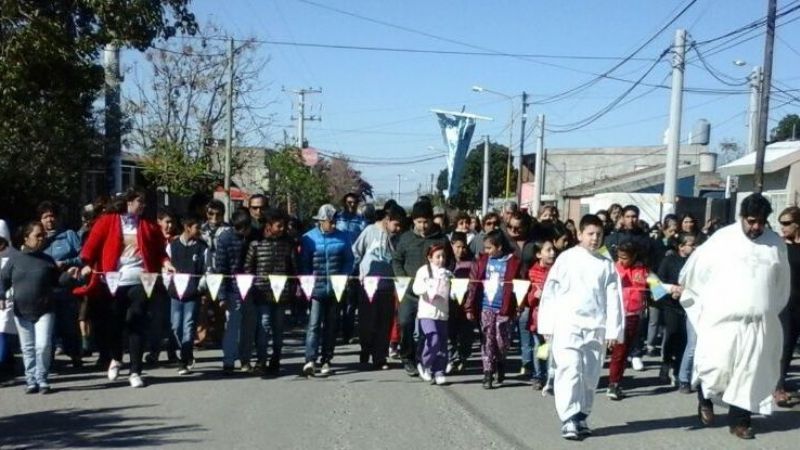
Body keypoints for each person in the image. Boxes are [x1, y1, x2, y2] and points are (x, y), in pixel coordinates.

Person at [680, 194, 790, 440]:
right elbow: (697, 271)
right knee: (716, 367)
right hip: (723, 321)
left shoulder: (775, 244)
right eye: (751, 221)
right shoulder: (722, 239)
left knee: (749, 373)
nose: (756, 227)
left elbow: (782, 284)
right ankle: (705, 399)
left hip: (757, 324)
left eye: (761, 222)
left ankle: (740, 421)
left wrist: (768, 310)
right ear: (742, 217)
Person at [538, 214, 624, 440]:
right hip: (568, 325)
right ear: (579, 235)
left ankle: (582, 414)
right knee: (570, 370)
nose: (595, 239)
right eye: (590, 234)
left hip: (596, 327)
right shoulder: (565, 259)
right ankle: (568, 418)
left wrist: (614, 330)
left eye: (599, 234)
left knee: (590, 374)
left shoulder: (607, 264)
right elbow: (550, 293)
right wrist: (548, 324)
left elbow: (614, 298)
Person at [77, 190, 174, 388]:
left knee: (136, 321)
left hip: (139, 280)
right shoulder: (107, 221)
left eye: (144, 203)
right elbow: (91, 246)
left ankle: (135, 371)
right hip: (112, 282)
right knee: (114, 324)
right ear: (129, 202)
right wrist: (87, 263)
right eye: (140, 202)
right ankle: (116, 358)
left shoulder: (147, 226)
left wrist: (166, 263)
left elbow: (159, 252)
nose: (143, 206)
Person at [1, 222, 75, 394]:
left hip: (45, 309)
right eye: (37, 235)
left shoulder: (47, 260)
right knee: (27, 348)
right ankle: (31, 380)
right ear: (26, 238)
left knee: (43, 345)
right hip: (21, 311)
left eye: (43, 235)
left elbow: (60, 281)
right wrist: (1, 295)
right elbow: (2, 279)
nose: (41, 239)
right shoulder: (15, 259)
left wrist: (71, 276)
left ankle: (42, 378)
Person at [392, 201, 451, 377]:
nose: (422, 226)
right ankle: (407, 357)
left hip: (433, 296)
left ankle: (426, 359)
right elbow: (396, 260)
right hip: (410, 293)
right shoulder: (406, 238)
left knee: (431, 330)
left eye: (426, 221)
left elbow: (450, 262)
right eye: (418, 222)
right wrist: (403, 278)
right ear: (413, 221)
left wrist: (444, 278)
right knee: (405, 323)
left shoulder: (441, 239)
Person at [300, 204, 353, 377]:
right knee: (314, 324)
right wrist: (307, 283)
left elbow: (349, 260)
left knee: (331, 326)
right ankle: (310, 359)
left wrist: (343, 277)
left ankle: (326, 359)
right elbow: (304, 263)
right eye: (330, 221)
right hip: (316, 288)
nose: (333, 224)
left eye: (334, 221)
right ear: (321, 221)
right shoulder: (308, 238)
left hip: (336, 288)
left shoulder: (343, 238)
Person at [464, 230, 522, 390]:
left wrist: (519, 306)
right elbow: (473, 284)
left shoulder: (513, 262)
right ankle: (488, 372)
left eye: (489, 248)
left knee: (501, 340)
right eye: (485, 248)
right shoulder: (482, 261)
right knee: (487, 339)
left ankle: (501, 361)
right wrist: (469, 306)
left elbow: (521, 286)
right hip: (486, 307)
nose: (486, 251)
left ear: (499, 247)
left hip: (504, 309)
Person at [351, 203, 405, 370]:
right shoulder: (369, 231)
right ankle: (365, 349)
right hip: (368, 285)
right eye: (396, 224)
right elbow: (356, 251)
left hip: (388, 286)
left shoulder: (397, 238)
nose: (398, 228)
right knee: (367, 322)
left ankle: (380, 357)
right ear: (387, 220)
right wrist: (359, 272)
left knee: (385, 323)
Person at [244, 208, 296, 375]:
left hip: (282, 293)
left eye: (284, 226)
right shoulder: (256, 243)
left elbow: (294, 269)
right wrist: (250, 287)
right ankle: (261, 359)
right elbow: (248, 268)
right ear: (269, 225)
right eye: (279, 225)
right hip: (261, 292)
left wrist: (294, 288)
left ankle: (276, 358)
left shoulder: (288, 244)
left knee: (278, 328)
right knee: (264, 326)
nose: (282, 229)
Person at [38, 201, 83, 367]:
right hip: (45, 288)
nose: (49, 220)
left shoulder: (69, 235)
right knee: (48, 326)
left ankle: (75, 355)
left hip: (66, 287)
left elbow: (83, 256)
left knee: (68, 323)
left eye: (52, 216)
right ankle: (48, 359)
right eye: (45, 217)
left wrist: (66, 262)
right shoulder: (38, 239)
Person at [606, 242, 649, 401]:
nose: (621, 260)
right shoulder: (613, 269)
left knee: (622, 351)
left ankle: (615, 383)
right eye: (619, 257)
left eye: (625, 258)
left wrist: (672, 289)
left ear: (634, 256)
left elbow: (656, 288)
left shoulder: (642, 270)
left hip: (633, 315)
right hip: (615, 314)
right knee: (617, 352)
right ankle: (612, 383)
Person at [167, 215, 207, 376]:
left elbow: (207, 269)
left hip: (192, 293)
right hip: (175, 293)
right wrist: (168, 286)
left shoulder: (202, 248)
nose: (199, 231)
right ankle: (186, 352)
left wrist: (199, 287)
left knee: (188, 325)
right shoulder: (173, 246)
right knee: (176, 325)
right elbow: (165, 268)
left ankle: (183, 359)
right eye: (197, 227)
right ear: (187, 227)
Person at [216, 208, 254, 374]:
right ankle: (228, 360)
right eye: (240, 228)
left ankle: (245, 359)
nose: (243, 231)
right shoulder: (224, 239)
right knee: (232, 326)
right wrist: (222, 294)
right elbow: (220, 267)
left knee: (248, 326)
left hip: (251, 286)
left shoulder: (253, 237)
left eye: (245, 228)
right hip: (232, 287)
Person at [658, 233, 696, 393]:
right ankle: (666, 363)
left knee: (684, 338)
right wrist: (671, 291)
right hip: (671, 304)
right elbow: (657, 283)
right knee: (672, 333)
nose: (694, 247)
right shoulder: (669, 260)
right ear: (681, 246)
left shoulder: (695, 262)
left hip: (689, 305)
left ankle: (678, 369)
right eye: (690, 244)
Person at [412, 243, 452, 385]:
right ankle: (424, 363)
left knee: (441, 343)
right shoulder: (423, 271)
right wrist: (428, 288)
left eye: (443, 256)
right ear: (429, 257)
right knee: (432, 338)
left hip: (442, 313)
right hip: (427, 312)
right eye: (437, 257)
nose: (441, 260)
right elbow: (416, 288)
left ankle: (439, 370)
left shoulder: (447, 273)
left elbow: (451, 293)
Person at [775, 206, 800, 406]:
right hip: (786, 302)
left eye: (786, 223)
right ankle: (778, 386)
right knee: (785, 345)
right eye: (780, 223)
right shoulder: (780, 247)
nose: (782, 227)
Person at [196, 199, 230, 348]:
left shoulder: (228, 230)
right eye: (211, 214)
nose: (214, 218)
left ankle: (218, 336)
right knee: (203, 304)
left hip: (222, 271)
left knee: (220, 306)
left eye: (218, 214)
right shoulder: (200, 229)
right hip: (205, 271)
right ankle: (200, 337)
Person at [335, 193, 366, 345]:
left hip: (354, 264)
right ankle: (334, 331)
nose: (351, 205)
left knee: (351, 301)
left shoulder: (361, 221)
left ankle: (348, 332)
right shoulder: (337, 218)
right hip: (337, 263)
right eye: (348, 202)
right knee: (336, 299)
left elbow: (364, 242)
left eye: (354, 202)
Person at [526, 238, 556, 390]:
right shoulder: (532, 272)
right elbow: (526, 298)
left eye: (553, 249)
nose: (552, 253)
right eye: (548, 250)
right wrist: (534, 295)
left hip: (554, 317)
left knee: (552, 348)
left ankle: (552, 375)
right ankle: (538, 375)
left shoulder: (557, 271)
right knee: (540, 347)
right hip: (537, 318)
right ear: (539, 254)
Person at [447, 232, 474, 374]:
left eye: (463, 247)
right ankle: (452, 358)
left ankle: (463, 357)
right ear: (451, 245)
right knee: (450, 332)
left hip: (466, 302)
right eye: (457, 246)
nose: (460, 250)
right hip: (450, 303)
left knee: (465, 333)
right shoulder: (447, 261)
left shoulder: (471, 262)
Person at [0, 220, 19, 381]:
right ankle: (8, 362)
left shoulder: (15, 256)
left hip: (7, 301)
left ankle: (4, 367)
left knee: (3, 331)